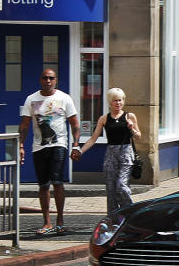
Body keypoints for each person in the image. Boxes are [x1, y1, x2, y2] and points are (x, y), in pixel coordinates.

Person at [19, 69, 81, 235]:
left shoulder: (64, 98)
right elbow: (24, 125)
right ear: (40, 79)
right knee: (43, 184)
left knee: (57, 181)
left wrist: (75, 145)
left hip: (58, 144)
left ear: (55, 80)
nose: (48, 81)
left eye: (51, 78)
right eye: (45, 78)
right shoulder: (31, 99)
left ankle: (60, 220)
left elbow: (74, 123)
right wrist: (21, 146)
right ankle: (47, 222)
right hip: (39, 146)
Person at [78, 87, 142, 214]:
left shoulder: (130, 116)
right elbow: (93, 139)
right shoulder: (104, 118)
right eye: (115, 101)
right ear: (110, 102)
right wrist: (80, 151)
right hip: (111, 155)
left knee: (122, 187)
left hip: (126, 153)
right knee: (111, 190)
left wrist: (132, 128)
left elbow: (139, 136)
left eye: (120, 100)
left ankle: (130, 213)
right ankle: (113, 218)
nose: (118, 103)